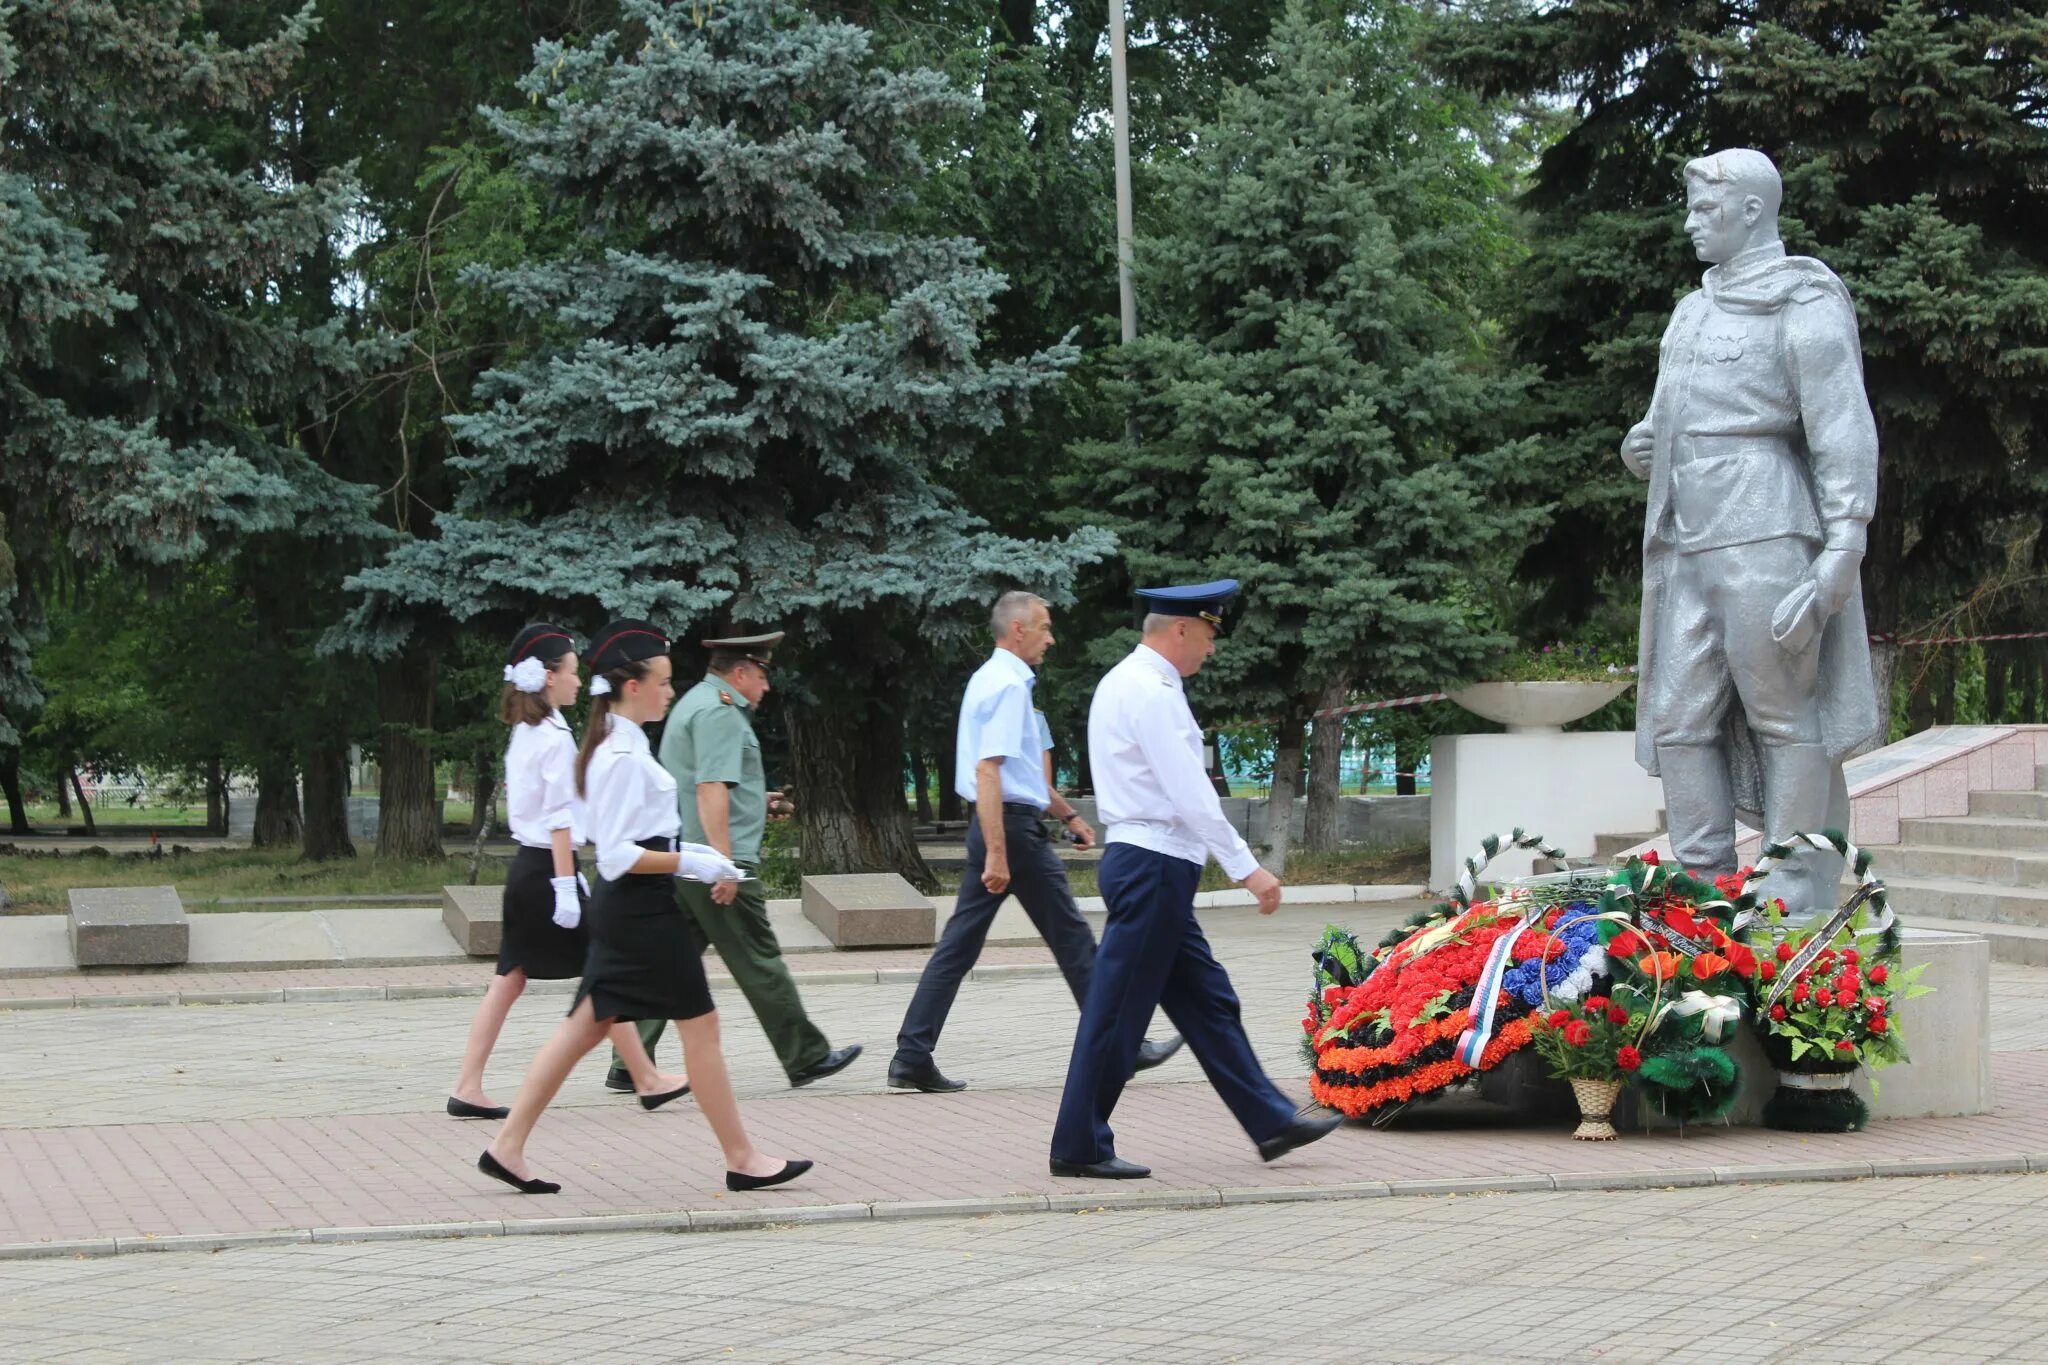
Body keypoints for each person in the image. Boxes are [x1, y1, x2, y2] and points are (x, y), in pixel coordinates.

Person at [1622, 149, 1881, 914]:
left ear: (1752, 212)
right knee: (1676, 716)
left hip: (1767, 526)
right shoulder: (1692, 308)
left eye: (1706, 210)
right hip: (1684, 538)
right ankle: (1701, 896)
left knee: (1782, 714)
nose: (1691, 223)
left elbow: (1843, 426)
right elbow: (1671, 410)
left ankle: (1793, 895)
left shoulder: (1804, 300)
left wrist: (1845, 544)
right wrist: (1643, 443)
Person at [477, 620, 811, 1195]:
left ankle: (507, 1146)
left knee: (588, 1026)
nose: (670, 690)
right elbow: (617, 856)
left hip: (633, 907)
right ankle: (742, 1157)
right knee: (699, 1025)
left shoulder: (621, 743)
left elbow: (644, 837)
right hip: (640, 910)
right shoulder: (619, 755)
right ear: (632, 685)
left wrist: (696, 852)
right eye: (662, 680)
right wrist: (691, 863)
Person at [1049, 581, 1341, 1179]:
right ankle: (1078, 1145)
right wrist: (1247, 867)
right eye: (1207, 635)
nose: (1210, 649)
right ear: (1179, 628)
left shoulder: (1133, 682)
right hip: (1152, 865)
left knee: (1209, 1002)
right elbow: (1189, 792)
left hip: (1156, 868)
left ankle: (1270, 1120)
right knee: (1117, 1014)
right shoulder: (1150, 691)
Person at [890, 591, 1183, 1093]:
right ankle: (1122, 1046)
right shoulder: (1007, 686)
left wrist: (1068, 815)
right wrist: (999, 852)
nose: (1051, 638)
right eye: (1044, 627)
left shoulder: (992, 679)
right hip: (1010, 831)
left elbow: (1018, 770)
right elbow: (989, 771)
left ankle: (911, 1056)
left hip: (1002, 824)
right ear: (1019, 629)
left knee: (959, 948)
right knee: (1072, 937)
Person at [447, 623, 683, 1120]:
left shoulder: (528, 730)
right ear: (549, 677)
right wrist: (566, 888)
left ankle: (468, 1084)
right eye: (573, 672)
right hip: (546, 874)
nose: (582, 681)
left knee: (511, 981)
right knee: (603, 976)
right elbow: (558, 821)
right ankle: (645, 1076)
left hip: (526, 872)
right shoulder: (553, 738)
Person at [607, 630, 861, 1092]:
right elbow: (709, 789)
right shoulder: (720, 712)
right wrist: (725, 866)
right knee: (758, 958)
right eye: (762, 676)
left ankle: (630, 1062)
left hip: (686, 858)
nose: (765, 687)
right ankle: (805, 1054)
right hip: (713, 862)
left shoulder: (698, 704)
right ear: (740, 672)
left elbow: (705, 782)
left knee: (668, 960)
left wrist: (754, 799)